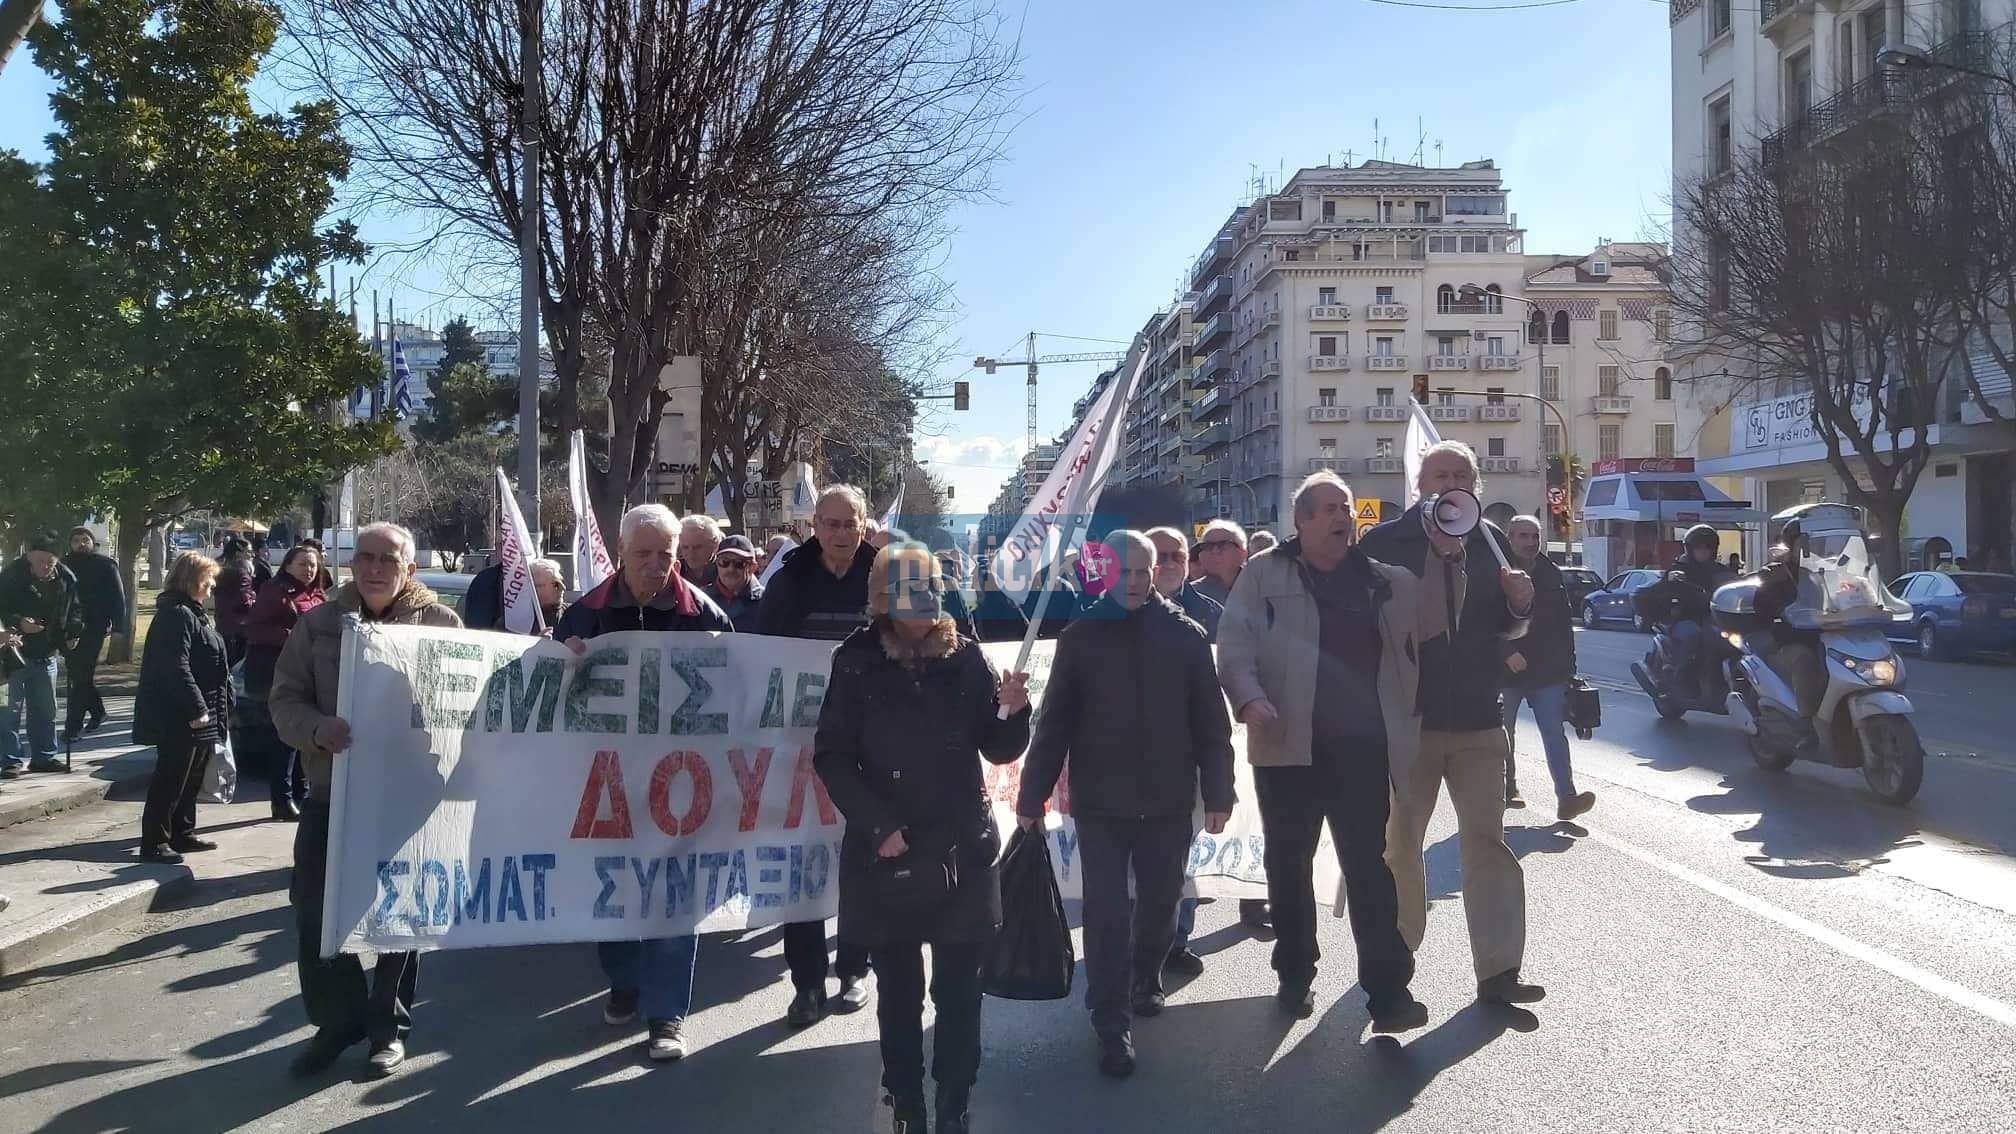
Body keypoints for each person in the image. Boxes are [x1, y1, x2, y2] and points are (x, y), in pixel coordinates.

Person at [813, 544, 1031, 1134]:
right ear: (886, 597)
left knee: (961, 993)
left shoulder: (967, 656)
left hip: (963, 847)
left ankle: (954, 1103)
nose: (930, 596)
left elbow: (999, 748)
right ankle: (906, 1100)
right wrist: (878, 826)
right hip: (889, 850)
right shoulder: (856, 659)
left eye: (934, 584)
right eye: (915, 586)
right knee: (900, 994)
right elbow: (832, 756)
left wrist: (1014, 712)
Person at [1216, 472, 1430, 1030]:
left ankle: (1387, 995)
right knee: (1289, 866)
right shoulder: (1263, 574)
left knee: (1369, 869)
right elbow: (1234, 646)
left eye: (1346, 508)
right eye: (1330, 509)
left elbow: (1440, 616)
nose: (1342, 518)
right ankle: (1295, 972)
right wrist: (1249, 698)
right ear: (1303, 521)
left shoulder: (1385, 581)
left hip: (1363, 749)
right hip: (1287, 747)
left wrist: (1464, 555)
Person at [1016, 531, 1233, 1078]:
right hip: (1102, 804)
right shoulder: (1082, 636)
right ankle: (1110, 1020)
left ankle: (1145, 976)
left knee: (1161, 903)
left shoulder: (1185, 636)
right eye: (1125, 571)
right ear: (1105, 572)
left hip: (1167, 800)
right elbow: (1055, 724)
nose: (1135, 581)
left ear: (1157, 571)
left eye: (1145, 571)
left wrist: (1220, 791)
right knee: (1107, 912)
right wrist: (1031, 794)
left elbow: (1211, 722)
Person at [269, 522, 461, 1079]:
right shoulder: (320, 624)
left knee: (400, 917)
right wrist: (314, 729)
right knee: (314, 909)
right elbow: (284, 698)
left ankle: (387, 1028)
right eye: (366, 557)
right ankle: (341, 1019)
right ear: (352, 565)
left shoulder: (442, 625)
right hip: (333, 793)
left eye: (389, 559)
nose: (376, 568)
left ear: (410, 567)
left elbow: (463, 710)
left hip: (409, 801)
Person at [1358, 441, 1545, 1008]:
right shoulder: (1385, 543)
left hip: (1478, 720)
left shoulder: (1490, 542)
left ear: (1475, 485)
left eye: (1461, 474)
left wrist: (1519, 606)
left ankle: (1498, 972)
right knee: (1400, 849)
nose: (1449, 482)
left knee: (1488, 844)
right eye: (1439, 473)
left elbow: (1508, 632)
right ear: (1419, 484)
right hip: (1408, 724)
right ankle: (1395, 971)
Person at [555, 505, 730, 1062]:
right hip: (606, 784)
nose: (657, 565)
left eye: (667, 555)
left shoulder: (705, 617)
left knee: (675, 896)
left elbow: (735, 699)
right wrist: (567, 667)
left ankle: (666, 1014)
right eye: (644, 554)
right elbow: (554, 702)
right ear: (621, 552)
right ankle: (625, 981)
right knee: (613, 892)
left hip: (680, 784)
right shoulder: (584, 616)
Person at [756, 485, 878, 1023]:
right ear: (813, 527)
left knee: (862, 859)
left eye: (849, 524)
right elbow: (762, 653)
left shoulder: (884, 574)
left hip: (871, 744)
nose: (839, 534)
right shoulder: (789, 580)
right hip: (801, 742)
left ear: (864, 524)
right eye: (829, 524)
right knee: (801, 863)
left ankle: (853, 968)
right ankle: (806, 984)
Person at [133, 551, 233, 863]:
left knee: (192, 776)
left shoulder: (193, 612)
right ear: (190, 580)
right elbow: (175, 666)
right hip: (182, 713)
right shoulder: (176, 614)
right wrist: (196, 708)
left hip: (204, 709)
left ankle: (182, 832)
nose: (212, 584)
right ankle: (155, 842)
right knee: (172, 776)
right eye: (208, 578)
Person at [1500, 516, 1596, 822]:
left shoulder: (1551, 572)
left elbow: (1563, 626)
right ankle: (1507, 788)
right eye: (1523, 536)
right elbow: (1478, 619)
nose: (1530, 542)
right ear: (1510, 537)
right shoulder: (1495, 570)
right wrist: (1505, 650)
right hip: (1507, 671)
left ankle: (1567, 798)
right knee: (1503, 735)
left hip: (1548, 672)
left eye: (1535, 536)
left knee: (1555, 733)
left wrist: (1570, 671)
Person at [243, 546, 326, 821]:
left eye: (313, 565)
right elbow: (255, 628)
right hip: (277, 673)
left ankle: (303, 794)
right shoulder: (274, 591)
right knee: (285, 739)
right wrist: (294, 636)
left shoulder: (317, 594)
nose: (309, 570)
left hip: (311, 673)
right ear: (288, 565)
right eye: (303, 564)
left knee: (304, 736)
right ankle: (282, 799)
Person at [1, 532, 83, 778]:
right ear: (29, 557)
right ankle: (9, 760)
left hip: (48, 651)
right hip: (12, 653)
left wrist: (73, 630)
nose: (45, 566)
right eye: (40, 561)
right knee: (9, 712)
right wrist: (18, 623)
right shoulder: (10, 577)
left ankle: (44, 757)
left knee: (45, 709)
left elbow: (75, 609)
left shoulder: (66, 578)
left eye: (50, 561)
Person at [61, 527, 125, 742]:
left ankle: (73, 727)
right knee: (78, 675)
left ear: (92, 542)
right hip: (68, 628)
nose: (81, 544)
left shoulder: (105, 565)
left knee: (80, 677)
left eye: (85, 540)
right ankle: (98, 712)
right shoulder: (63, 565)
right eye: (77, 540)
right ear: (70, 544)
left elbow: (118, 598)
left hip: (94, 628)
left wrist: (118, 628)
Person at [1145, 527, 1222, 641]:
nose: (1170, 564)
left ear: (1187, 560)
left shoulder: (1212, 612)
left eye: (1178, 557)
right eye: (1160, 557)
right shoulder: (1126, 609)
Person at [700, 535, 764, 630]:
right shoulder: (701, 599)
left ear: (752, 567)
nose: (731, 569)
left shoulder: (767, 601)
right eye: (724, 562)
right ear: (717, 564)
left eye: (739, 563)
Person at [214, 538, 259, 666]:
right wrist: (254, 599)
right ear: (239, 553)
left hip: (223, 623)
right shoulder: (242, 573)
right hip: (240, 628)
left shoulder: (220, 570)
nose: (252, 555)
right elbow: (243, 601)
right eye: (249, 551)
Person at [1190, 519, 1248, 608]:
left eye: (1223, 545)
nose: (1215, 551)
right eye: (1208, 546)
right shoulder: (1191, 595)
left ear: (1242, 553)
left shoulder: (1262, 589)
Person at [677, 514, 724, 587]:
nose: (691, 554)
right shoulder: (673, 572)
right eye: (685, 547)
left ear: (715, 544)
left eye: (697, 547)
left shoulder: (728, 569)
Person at [528, 557, 567, 631]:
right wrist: (535, 641)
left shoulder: (574, 615)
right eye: (556, 584)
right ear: (535, 588)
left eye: (561, 581)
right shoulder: (513, 622)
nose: (563, 587)